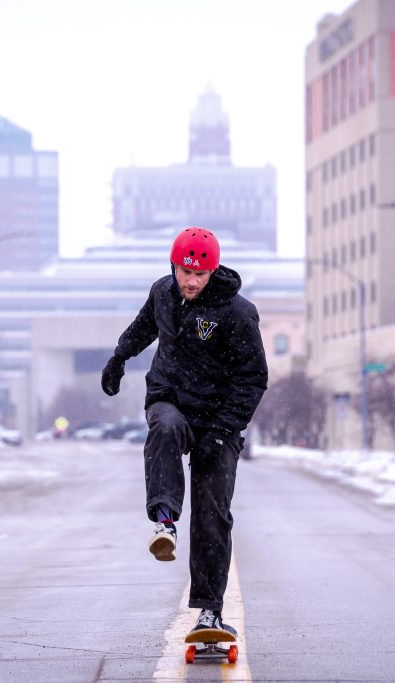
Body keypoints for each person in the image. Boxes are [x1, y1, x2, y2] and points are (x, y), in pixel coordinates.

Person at [101, 226, 268, 638]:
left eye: (199, 274)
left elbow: (253, 379)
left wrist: (223, 429)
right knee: (165, 428)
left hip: (218, 418)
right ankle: (164, 522)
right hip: (170, 397)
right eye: (183, 272)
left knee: (213, 516)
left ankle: (210, 611)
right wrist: (119, 358)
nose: (190, 281)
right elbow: (143, 328)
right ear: (174, 266)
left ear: (213, 271)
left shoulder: (237, 313)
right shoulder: (163, 292)